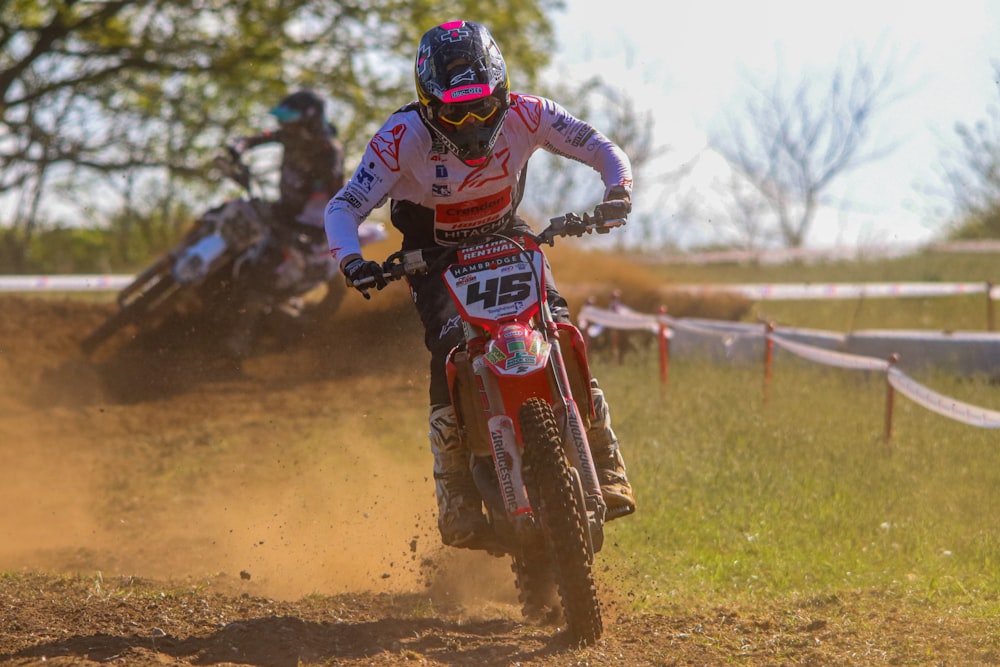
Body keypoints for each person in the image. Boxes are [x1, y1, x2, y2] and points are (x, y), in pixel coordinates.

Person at [324, 20, 636, 548]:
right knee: (450, 352)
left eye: (483, 109)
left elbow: (599, 146)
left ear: (504, 95)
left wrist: (618, 190)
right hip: (433, 258)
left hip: (509, 239)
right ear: (427, 106)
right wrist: (352, 262)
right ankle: (456, 492)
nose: (471, 125)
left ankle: (604, 456)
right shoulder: (400, 139)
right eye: (454, 112)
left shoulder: (529, 113)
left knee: (559, 327)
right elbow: (344, 206)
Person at [223, 90, 347, 358]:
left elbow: (337, 196)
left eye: (290, 121)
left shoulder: (328, 151)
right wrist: (237, 148)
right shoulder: (290, 138)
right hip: (284, 211)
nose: (284, 127)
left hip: (311, 224)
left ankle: (239, 342)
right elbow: (258, 138)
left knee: (265, 271)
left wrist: (319, 233)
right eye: (283, 121)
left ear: (309, 121)